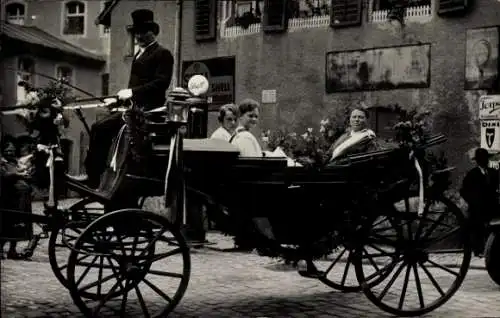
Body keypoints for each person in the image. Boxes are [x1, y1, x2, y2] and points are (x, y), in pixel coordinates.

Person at [69, 9, 174, 188]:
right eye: (137, 32)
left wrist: (131, 93)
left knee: (100, 128)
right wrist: (118, 100)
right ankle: (95, 174)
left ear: (153, 32)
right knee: (98, 127)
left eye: (143, 32)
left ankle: (93, 177)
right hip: (132, 108)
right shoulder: (139, 54)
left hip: (147, 111)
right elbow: (133, 90)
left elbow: (161, 84)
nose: (139, 36)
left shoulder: (162, 53)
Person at [460, 148, 500, 256]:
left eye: (486, 159)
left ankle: (492, 250)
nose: (484, 161)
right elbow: (463, 191)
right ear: (478, 161)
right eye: (482, 159)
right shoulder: (472, 174)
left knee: (493, 228)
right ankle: (478, 249)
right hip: (477, 207)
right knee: (477, 228)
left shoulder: (493, 173)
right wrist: (473, 201)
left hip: (492, 206)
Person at [0, 135, 33, 260]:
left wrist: (27, 176)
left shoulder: (16, 162)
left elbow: (26, 175)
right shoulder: (2, 162)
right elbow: (5, 176)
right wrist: (19, 175)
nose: (10, 152)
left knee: (19, 227)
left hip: (21, 201)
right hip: (8, 200)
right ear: (3, 151)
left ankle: (12, 251)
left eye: (12, 150)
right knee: (6, 226)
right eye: (8, 150)